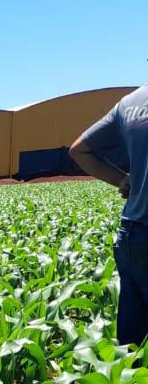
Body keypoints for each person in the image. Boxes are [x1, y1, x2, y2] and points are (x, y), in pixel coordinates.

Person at [70, 84, 148, 346]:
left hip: (134, 234)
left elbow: (79, 150)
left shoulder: (129, 103)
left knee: (132, 343)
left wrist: (122, 180)